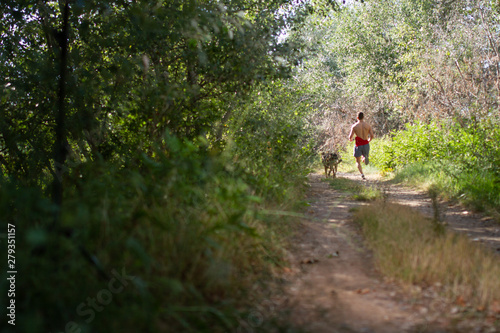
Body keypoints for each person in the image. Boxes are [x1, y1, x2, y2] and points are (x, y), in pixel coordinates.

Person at [348, 112, 374, 180]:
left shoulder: (354, 126)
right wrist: (368, 140)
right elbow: (372, 136)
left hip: (358, 144)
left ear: (357, 117)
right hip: (366, 143)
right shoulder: (368, 125)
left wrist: (351, 139)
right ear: (363, 117)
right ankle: (364, 158)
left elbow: (350, 137)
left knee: (357, 161)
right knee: (364, 156)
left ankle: (362, 174)